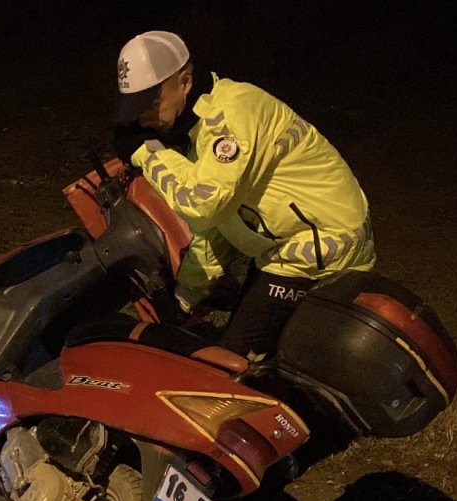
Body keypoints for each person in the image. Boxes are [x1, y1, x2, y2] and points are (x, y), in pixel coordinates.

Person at [112, 31, 376, 359]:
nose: (142, 118)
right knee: (249, 344)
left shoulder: (231, 117)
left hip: (322, 245)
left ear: (184, 81)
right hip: (287, 246)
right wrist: (185, 296)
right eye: (134, 108)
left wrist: (146, 151)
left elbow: (204, 203)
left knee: (234, 359)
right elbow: (216, 226)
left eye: (150, 102)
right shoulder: (199, 128)